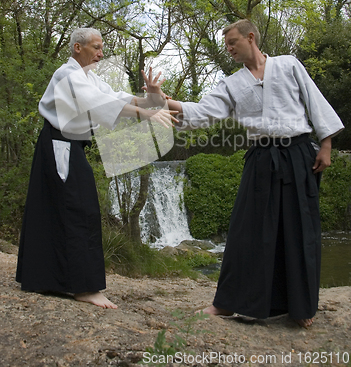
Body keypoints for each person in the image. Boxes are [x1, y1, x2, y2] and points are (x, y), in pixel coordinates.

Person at [143, 19, 344, 327]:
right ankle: (225, 304)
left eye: (232, 42)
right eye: (226, 45)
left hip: (300, 154)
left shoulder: (289, 65)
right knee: (245, 231)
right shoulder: (231, 83)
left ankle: (301, 308)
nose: (228, 48)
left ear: (251, 38)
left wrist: (326, 144)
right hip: (261, 157)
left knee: (299, 230)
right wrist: (159, 98)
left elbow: (315, 103)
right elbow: (202, 112)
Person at [16, 27, 176, 309]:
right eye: (96, 47)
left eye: (102, 48)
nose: (101, 53)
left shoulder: (88, 77)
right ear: (78, 48)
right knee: (80, 208)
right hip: (58, 145)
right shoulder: (67, 75)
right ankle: (84, 287)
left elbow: (118, 97)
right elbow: (101, 104)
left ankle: (42, 278)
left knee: (59, 207)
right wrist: (148, 113)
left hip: (66, 146)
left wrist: (152, 97)